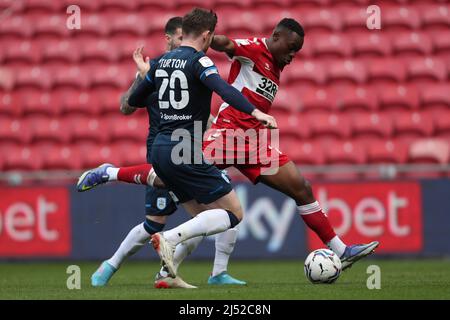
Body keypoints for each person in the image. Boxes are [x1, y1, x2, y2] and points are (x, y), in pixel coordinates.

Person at [78, 16, 377, 273]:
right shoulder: (255, 49)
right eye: (290, 49)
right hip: (229, 135)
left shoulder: (275, 65)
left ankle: (340, 250)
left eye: (297, 52)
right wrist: (212, 41)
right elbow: (227, 44)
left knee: (301, 187)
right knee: (167, 173)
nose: (292, 56)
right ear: (276, 38)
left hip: (255, 142)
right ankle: (110, 173)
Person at [84, 17, 246, 288]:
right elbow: (126, 106)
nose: (185, 42)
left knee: (206, 218)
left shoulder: (188, 70)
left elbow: (201, 115)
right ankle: (110, 264)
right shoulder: (158, 69)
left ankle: (184, 274)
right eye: (179, 37)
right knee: (155, 224)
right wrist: (142, 78)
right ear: (169, 38)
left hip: (185, 151)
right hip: (165, 152)